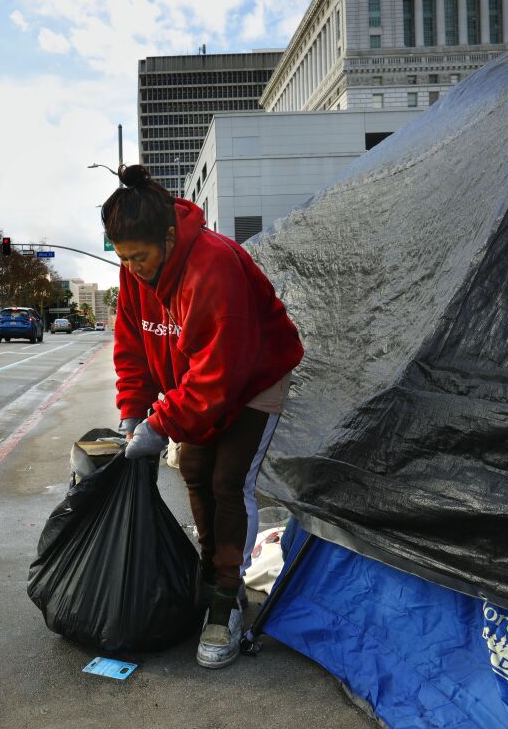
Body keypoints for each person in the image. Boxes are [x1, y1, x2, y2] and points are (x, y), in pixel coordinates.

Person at [104, 164, 304, 669]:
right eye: (123, 259)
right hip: (202, 381)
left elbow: (221, 379)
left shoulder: (213, 266)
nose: (133, 268)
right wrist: (133, 412)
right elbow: (132, 346)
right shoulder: (135, 274)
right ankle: (214, 573)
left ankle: (226, 603)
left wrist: (160, 424)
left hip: (254, 376)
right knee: (194, 469)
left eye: (141, 257)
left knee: (228, 481)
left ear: (169, 237)